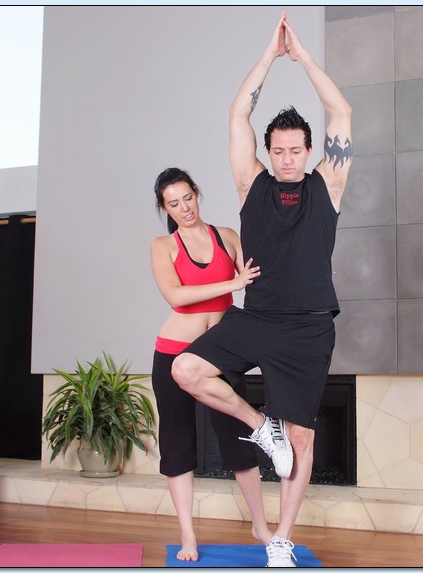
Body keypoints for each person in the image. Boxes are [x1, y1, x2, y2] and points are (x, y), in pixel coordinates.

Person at [171, 11, 353, 567]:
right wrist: (268, 58)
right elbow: (237, 114)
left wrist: (303, 58)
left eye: (296, 149)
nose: (287, 158)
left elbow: (341, 113)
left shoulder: (328, 184)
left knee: (303, 438)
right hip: (258, 318)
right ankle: (260, 427)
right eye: (278, 150)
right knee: (186, 369)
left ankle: (281, 539)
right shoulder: (251, 185)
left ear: (308, 151)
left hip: (309, 328)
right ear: (268, 152)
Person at [149, 167, 272, 562]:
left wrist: (307, 273)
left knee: (238, 437)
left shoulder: (227, 237)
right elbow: (176, 296)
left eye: (187, 197)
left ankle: (260, 526)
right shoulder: (163, 246)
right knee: (178, 442)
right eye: (173, 203)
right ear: (165, 208)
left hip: (219, 353)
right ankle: (188, 536)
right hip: (173, 352)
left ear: (197, 194)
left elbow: (261, 275)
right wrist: (232, 284)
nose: (184, 208)